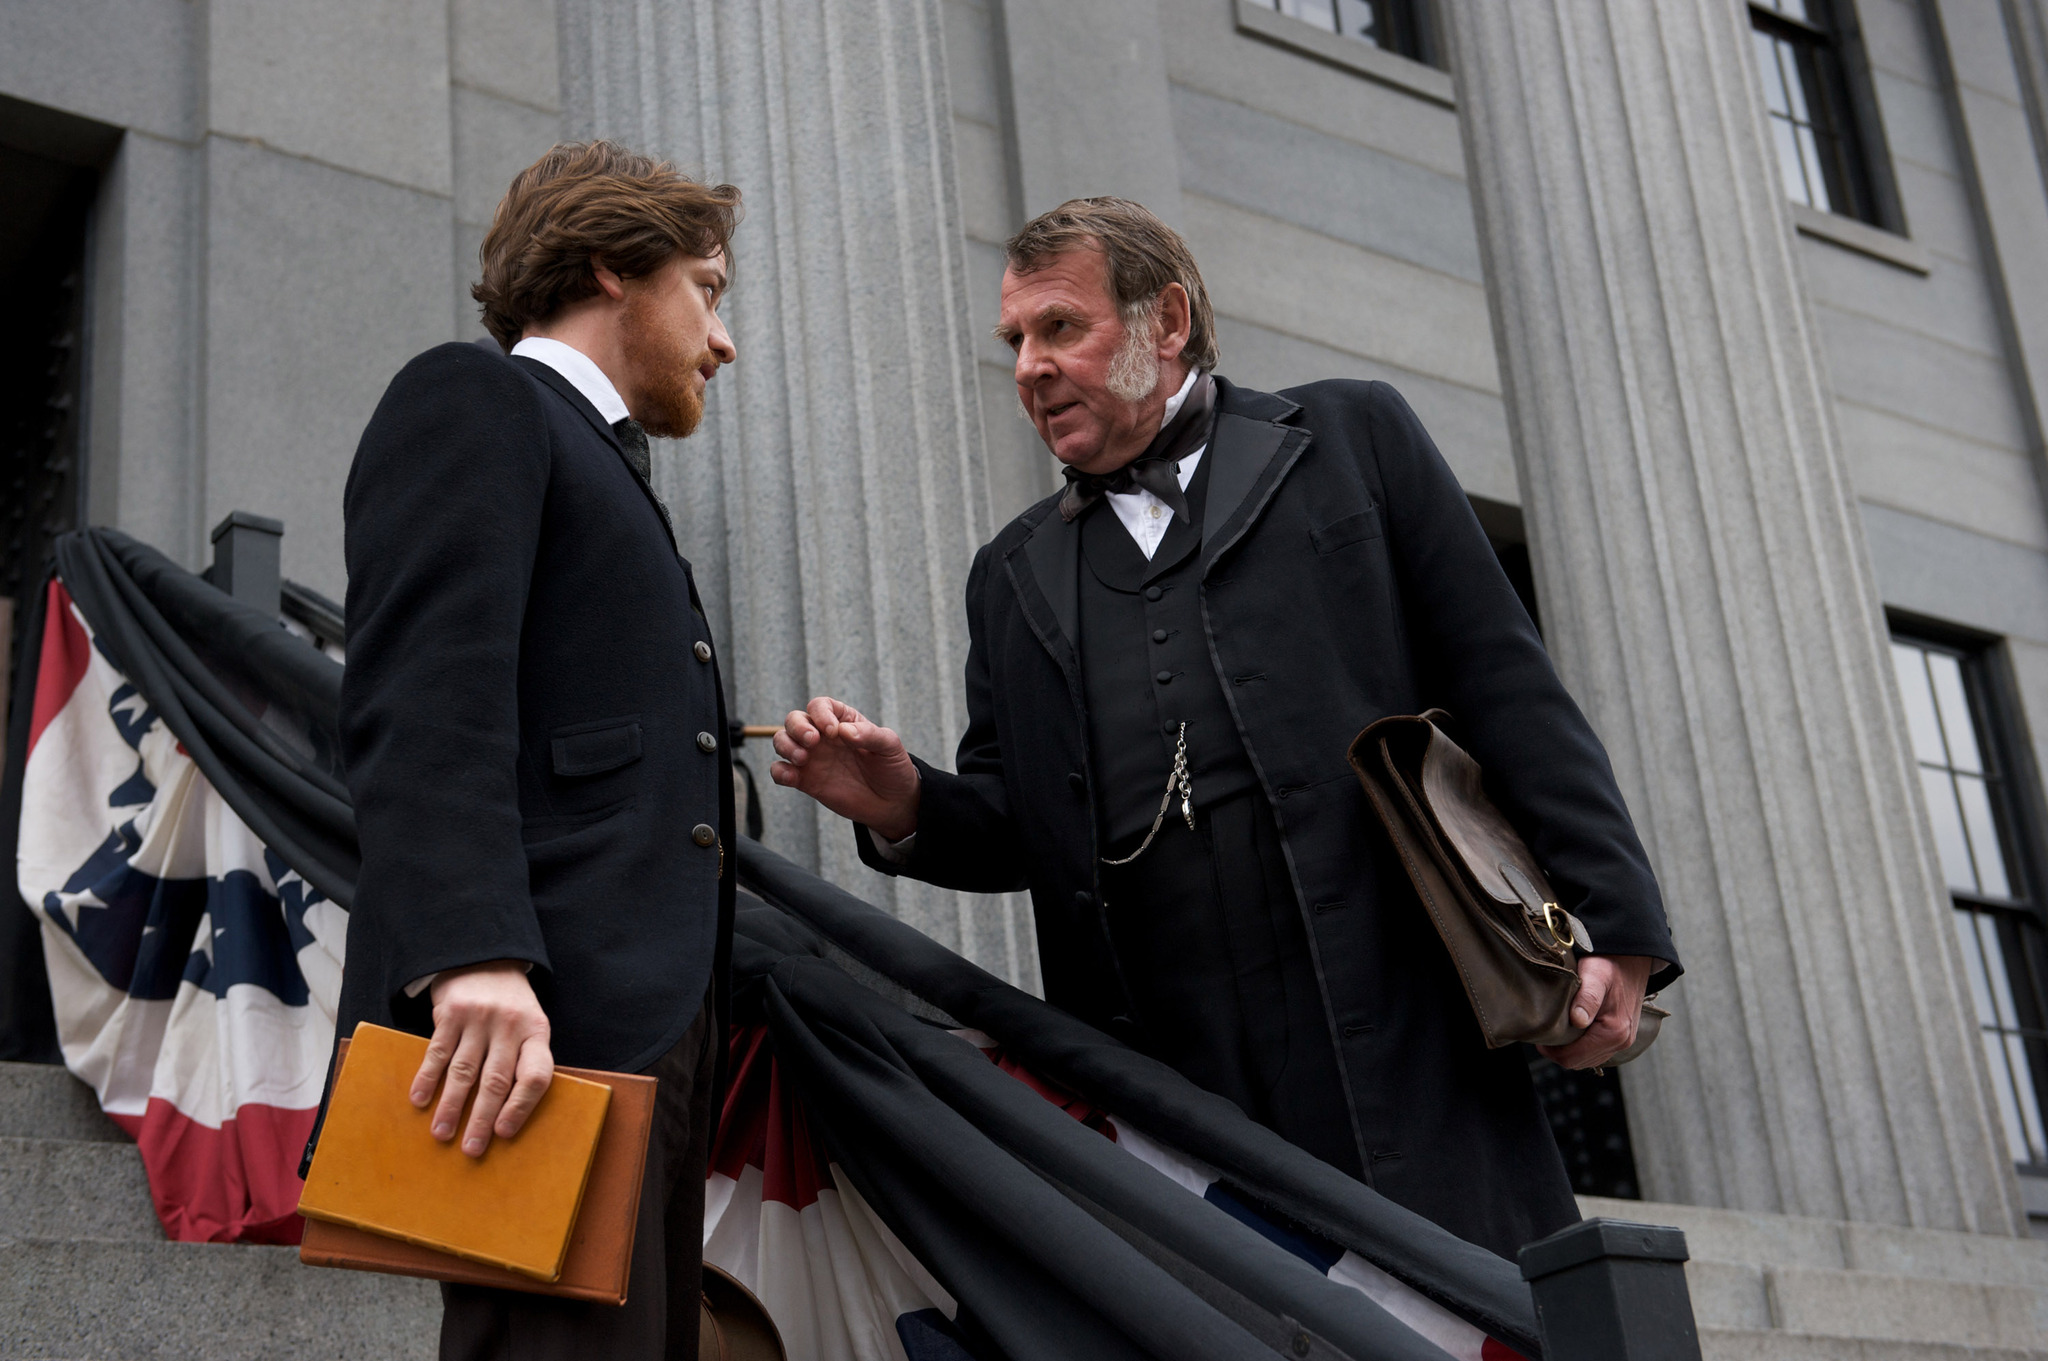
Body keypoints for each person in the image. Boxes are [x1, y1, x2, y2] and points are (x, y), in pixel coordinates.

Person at [770, 197, 1680, 1259]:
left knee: (1468, 1303)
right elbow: (1020, 824)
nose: (1028, 365)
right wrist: (902, 802)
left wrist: (1615, 921)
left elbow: (1504, 683)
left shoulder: (1352, 441)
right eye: (1015, 340)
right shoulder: (1007, 574)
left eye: (1059, 327)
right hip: (1168, 1078)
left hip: (1398, 1025)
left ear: (1165, 321)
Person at [335, 141, 740, 1359]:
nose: (719, 341)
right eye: (707, 291)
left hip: (642, 1019)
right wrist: (471, 952)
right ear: (614, 266)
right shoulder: (475, 396)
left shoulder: (599, 457)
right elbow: (422, 695)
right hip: (535, 1020)